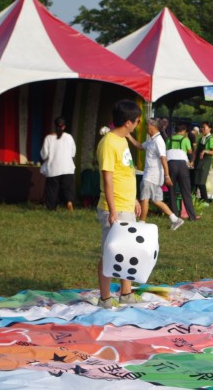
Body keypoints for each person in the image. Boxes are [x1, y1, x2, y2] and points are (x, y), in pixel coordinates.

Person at [95, 100, 143, 308]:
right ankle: (105, 297)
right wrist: (113, 210)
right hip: (114, 208)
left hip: (126, 205)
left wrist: (133, 199)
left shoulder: (123, 140)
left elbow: (126, 172)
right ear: (128, 122)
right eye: (137, 121)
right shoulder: (109, 143)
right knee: (111, 252)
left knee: (128, 250)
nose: (138, 125)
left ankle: (126, 292)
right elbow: (108, 178)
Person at [126, 118, 185, 230]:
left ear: (155, 127)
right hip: (154, 177)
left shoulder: (158, 141)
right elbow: (140, 146)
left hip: (151, 176)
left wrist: (167, 176)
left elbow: (163, 159)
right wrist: (129, 137)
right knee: (156, 200)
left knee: (145, 199)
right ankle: (175, 219)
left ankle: (142, 223)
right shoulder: (152, 140)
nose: (147, 127)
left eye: (148, 125)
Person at [40, 117, 76, 211]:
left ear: (55, 126)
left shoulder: (48, 138)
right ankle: (69, 202)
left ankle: (52, 208)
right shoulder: (69, 137)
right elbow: (73, 153)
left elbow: (44, 155)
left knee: (52, 191)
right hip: (68, 168)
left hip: (53, 169)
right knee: (67, 189)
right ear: (64, 127)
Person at [165, 123, 200, 221]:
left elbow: (166, 151)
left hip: (170, 164)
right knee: (186, 190)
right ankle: (192, 216)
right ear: (183, 131)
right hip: (181, 165)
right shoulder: (185, 140)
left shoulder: (169, 139)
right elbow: (189, 151)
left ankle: (174, 215)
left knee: (171, 190)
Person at [194, 121, 213, 202]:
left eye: (204, 127)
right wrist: (192, 161)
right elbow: (196, 151)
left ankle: (205, 200)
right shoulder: (201, 139)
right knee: (196, 181)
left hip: (205, 163)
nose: (202, 129)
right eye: (202, 127)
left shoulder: (211, 140)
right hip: (198, 162)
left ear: (210, 129)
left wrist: (205, 151)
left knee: (201, 182)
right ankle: (198, 199)